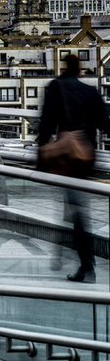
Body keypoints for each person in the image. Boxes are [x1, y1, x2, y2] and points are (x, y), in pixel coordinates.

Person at [38, 54, 110, 282]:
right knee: (73, 207)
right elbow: (105, 124)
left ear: (64, 67)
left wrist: (41, 154)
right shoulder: (90, 92)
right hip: (86, 156)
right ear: (80, 71)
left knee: (76, 210)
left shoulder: (55, 87)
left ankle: (86, 265)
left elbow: (46, 123)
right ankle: (66, 257)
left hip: (67, 157)